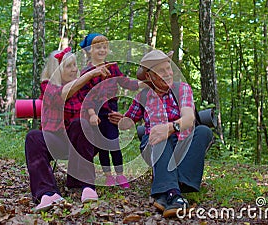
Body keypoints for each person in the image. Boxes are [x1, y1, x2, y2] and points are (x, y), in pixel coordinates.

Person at [108, 50, 213, 218]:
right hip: (155, 145)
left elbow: (188, 118)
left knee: (203, 132)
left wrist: (170, 127)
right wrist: (121, 120)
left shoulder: (181, 89)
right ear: (149, 77)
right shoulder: (143, 96)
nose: (168, 73)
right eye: (161, 71)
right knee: (157, 135)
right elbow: (128, 123)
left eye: (168, 68)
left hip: (180, 143)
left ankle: (173, 188)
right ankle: (174, 194)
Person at [24, 47, 113, 212]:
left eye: (75, 65)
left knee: (80, 123)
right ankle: (47, 193)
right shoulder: (48, 86)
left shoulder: (83, 88)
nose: (74, 69)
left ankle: (87, 186)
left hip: (82, 142)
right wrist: (89, 75)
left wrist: (113, 116)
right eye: (69, 66)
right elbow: (62, 95)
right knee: (33, 137)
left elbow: (99, 100)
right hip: (56, 141)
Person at [78, 33, 145, 188]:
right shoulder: (86, 72)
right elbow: (84, 96)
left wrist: (142, 84)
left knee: (113, 142)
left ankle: (120, 175)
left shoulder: (113, 67)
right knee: (102, 145)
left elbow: (125, 82)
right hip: (96, 113)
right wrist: (92, 114)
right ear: (89, 50)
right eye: (98, 47)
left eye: (104, 47)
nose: (102, 50)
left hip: (110, 111)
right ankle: (108, 175)